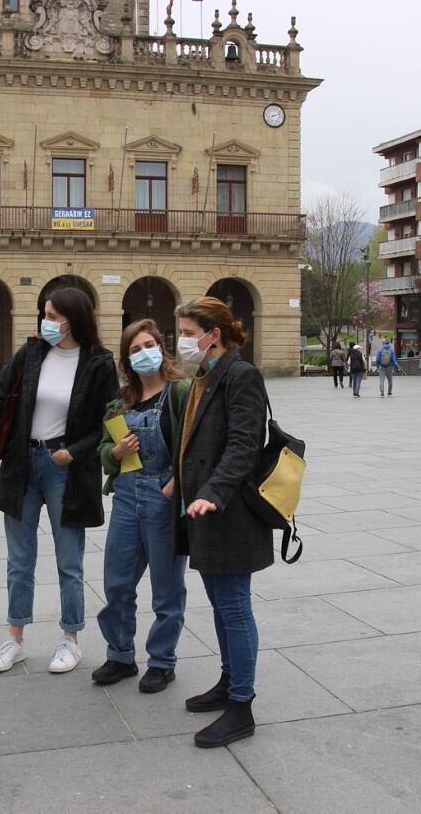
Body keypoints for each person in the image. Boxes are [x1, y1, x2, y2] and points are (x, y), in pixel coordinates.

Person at [0, 287, 117, 675]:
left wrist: (75, 451)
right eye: (45, 314)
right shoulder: (33, 352)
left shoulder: (99, 362)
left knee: (69, 561)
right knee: (20, 560)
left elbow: (108, 420)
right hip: (23, 462)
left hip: (65, 467)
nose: (46, 322)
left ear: (73, 319)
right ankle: (14, 639)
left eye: (53, 316)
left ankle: (71, 639)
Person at [173, 296, 272, 748]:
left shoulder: (241, 374)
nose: (183, 341)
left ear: (214, 334)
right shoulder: (206, 374)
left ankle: (241, 705)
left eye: (189, 332)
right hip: (204, 509)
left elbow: (244, 444)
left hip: (230, 511)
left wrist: (212, 492)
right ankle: (229, 680)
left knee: (233, 606)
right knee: (220, 603)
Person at [93, 319, 191, 694]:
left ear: (162, 349)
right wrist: (114, 452)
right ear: (126, 359)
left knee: (167, 587)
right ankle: (120, 654)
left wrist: (176, 484)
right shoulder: (120, 403)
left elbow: (193, 445)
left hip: (163, 497)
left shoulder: (180, 392)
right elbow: (104, 450)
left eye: (148, 345)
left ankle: (162, 661)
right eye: (134, 349)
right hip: (127, 494)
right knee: (117, 581)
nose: (142, 353)